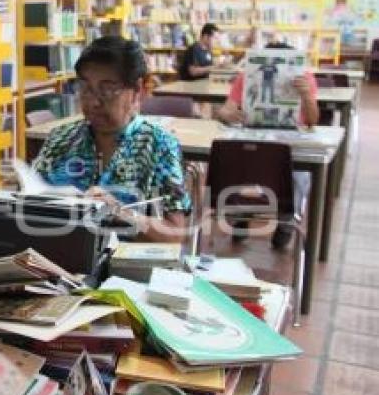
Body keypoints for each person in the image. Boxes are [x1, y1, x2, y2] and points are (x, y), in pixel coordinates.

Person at [32, 36, 192, 243]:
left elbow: (175, 234)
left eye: (107, 90)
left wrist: (120, 213)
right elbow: (28, 204)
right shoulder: (60, 139)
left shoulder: (159, 145)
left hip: (125, 268)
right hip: (58, 255)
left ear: (137, 91)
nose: (94, 102)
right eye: (86, 88)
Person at [216, 42, 319, 249]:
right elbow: (224, 111)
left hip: (289, 139)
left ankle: (287, 221)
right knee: (239, 157)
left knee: (300, 172)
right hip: (253, 136)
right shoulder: (246, 76)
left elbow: (312, 121)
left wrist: (306, 95)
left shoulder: (305, 79)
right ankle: (241, 213)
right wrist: (229, 114)